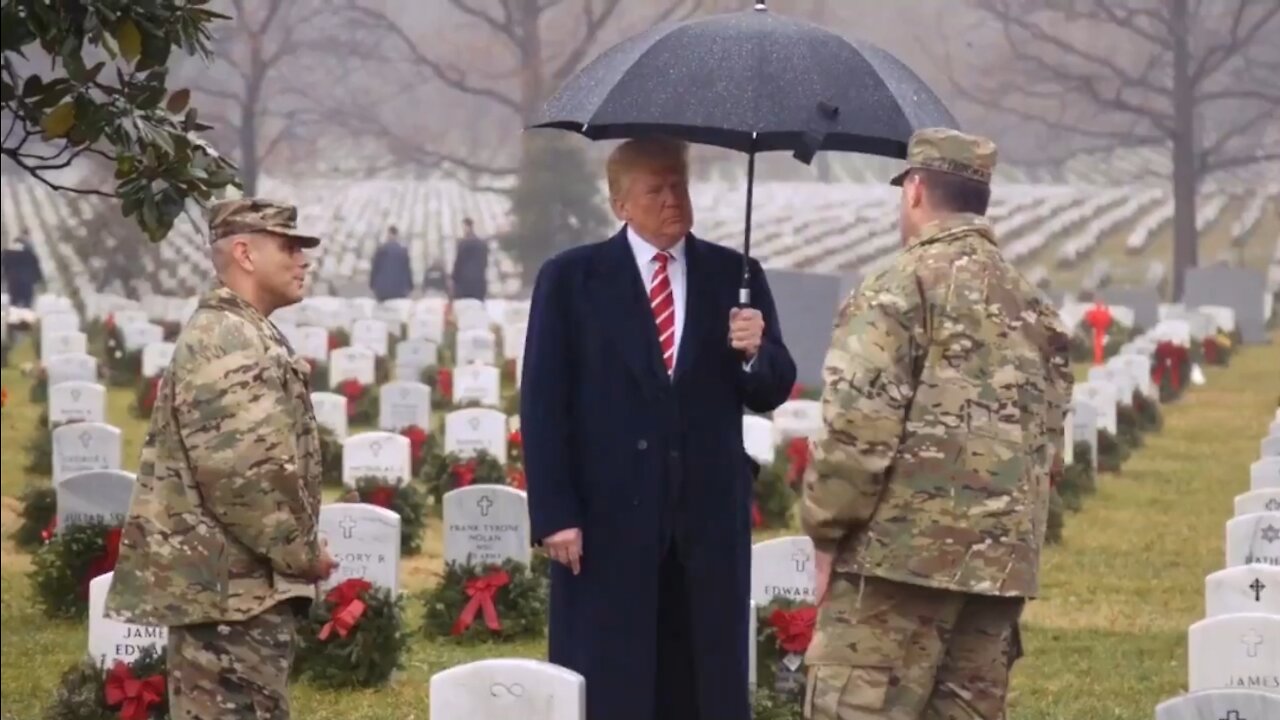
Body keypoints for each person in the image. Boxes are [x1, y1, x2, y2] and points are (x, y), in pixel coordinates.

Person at [800, 128, 1073, 720]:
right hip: (995, 572)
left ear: (915, 190)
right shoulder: (1034, 307)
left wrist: (825, 533)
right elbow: (1048, 442)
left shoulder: (896, 290)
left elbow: (858, 433)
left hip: (892, 570)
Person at [520, 135, 797, 720]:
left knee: (701, 680)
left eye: (679, 184)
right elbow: (545, 402)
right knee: (611, 677)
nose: (673, 199)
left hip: (706, 521)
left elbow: (770, 388)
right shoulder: (572, 280)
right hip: (606, 520)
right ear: (621, 203)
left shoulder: (735, 274)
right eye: (656, 189)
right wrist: (555, 514)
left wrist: (755, 351)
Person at [105, 198, 338, 719]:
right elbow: (245, 475)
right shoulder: (229, 339)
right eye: (289, 246)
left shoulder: (242, 330)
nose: (303, 260)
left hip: (232, 591)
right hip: (230, 595)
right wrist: (302, 553)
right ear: (244, 253)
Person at [369, 225, 414, 301]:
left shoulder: (381, 250)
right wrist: (410, 286)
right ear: (397, 236)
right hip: (399, 289)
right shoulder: (403, 251)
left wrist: (372, 284)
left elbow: (375, 269)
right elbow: (407, 270)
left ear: (388, 235)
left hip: (382, 289)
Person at [1, 231, 44, 308]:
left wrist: (4, 278)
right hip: (27, 282)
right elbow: (36, 268)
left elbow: (4, 266)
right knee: (27, 302)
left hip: (13, 281)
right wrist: (38, 279)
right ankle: (27, 314)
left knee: (14, 302)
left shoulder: (6, 254)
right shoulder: (30, 254)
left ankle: (15, 315)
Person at [450, 217, 489, 300]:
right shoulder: (482, 244)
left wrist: (453, 280)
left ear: (466, 227)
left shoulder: (463, 244)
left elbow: (458, 264)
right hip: (479, 284)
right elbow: (485, 264)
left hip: (464, 285)